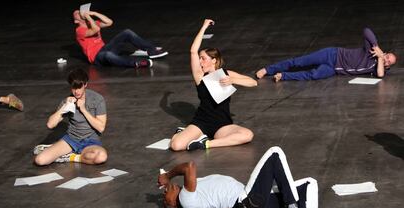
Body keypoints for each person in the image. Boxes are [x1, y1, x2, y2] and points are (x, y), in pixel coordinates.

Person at [158, 146, 323, 208]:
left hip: (251, 206)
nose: (165, 190)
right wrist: (168, 176)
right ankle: (290, 205)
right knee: (275, 153)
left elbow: (219, 197)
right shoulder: (185, 200)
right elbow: (189, 166)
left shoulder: (194, 192)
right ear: (172, 203)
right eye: (165, 195)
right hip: (248, 202)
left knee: (309, 183)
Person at [170, 19, 257, 151]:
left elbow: (253, 82)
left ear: (214, 60)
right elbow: (193, 51)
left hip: (222, 125)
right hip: (201, 122)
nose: (200, 62)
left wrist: (233, 80)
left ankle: (205, 143)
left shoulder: (227, 74)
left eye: (203, 58)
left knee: (247, 135)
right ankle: (183, 132)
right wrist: (204, 27)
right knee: (176, 146)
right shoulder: (200, 77)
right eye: (199, 58)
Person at [256, 28, 397, 82]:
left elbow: (380, 75)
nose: (387, 60)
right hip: (332, 55)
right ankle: (268, 69)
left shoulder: (377, 66)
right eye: (387, 57)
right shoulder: (371, 51)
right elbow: (366, 31)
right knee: (299, 62)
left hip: (333, 69)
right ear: (385, 53)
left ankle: (283, 76)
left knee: (314, 75)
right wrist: (376, 47)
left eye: (389, 62)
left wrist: (380, 58)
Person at [33, 68, 107, 165]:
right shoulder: (68, 101)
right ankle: (65, 152)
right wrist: (64, 107)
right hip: (72, 139)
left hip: (91, 141)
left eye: (79, 87)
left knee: (101, 157)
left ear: (85, 84)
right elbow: (50, 125)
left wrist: (83, 110)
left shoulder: (97, 99)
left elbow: (101, 128)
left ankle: (72, 157)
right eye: (73, 88)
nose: (76, 92)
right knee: (40, 160)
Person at [73, 9, 168, 68]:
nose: (81, 13)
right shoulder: (79, 31)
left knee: (127, 32)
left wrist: (94, 13)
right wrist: (88, 17)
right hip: (97, 57)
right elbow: (96, 29)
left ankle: (151, 50)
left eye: (80, 11)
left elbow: (109, 22)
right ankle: (137, 63)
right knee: (108, 55)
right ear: (76, 20)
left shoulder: (91, 23)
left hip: (105, 48)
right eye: (78, 14)